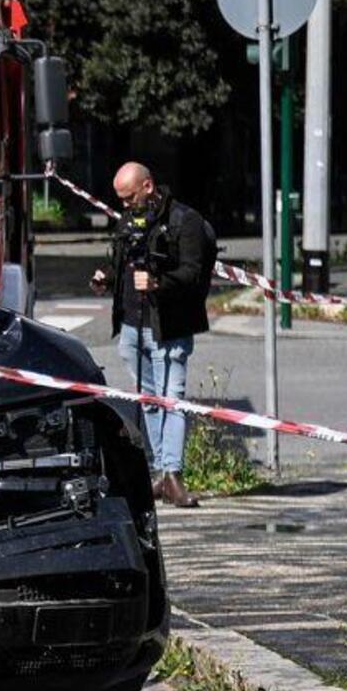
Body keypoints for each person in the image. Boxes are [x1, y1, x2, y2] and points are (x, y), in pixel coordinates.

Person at [92, 161, 210, 509]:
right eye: (120, 200)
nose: (124, 206)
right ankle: (159, 472)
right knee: (149, 401)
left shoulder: (184, 221)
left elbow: (192, 272)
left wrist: (160, 283)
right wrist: (105, 278)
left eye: (129, 197)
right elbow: (120, 263)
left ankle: (173, 475)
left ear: (147, 186)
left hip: (168, 327)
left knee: (171, 399)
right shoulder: (128, 220)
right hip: (131, 326)